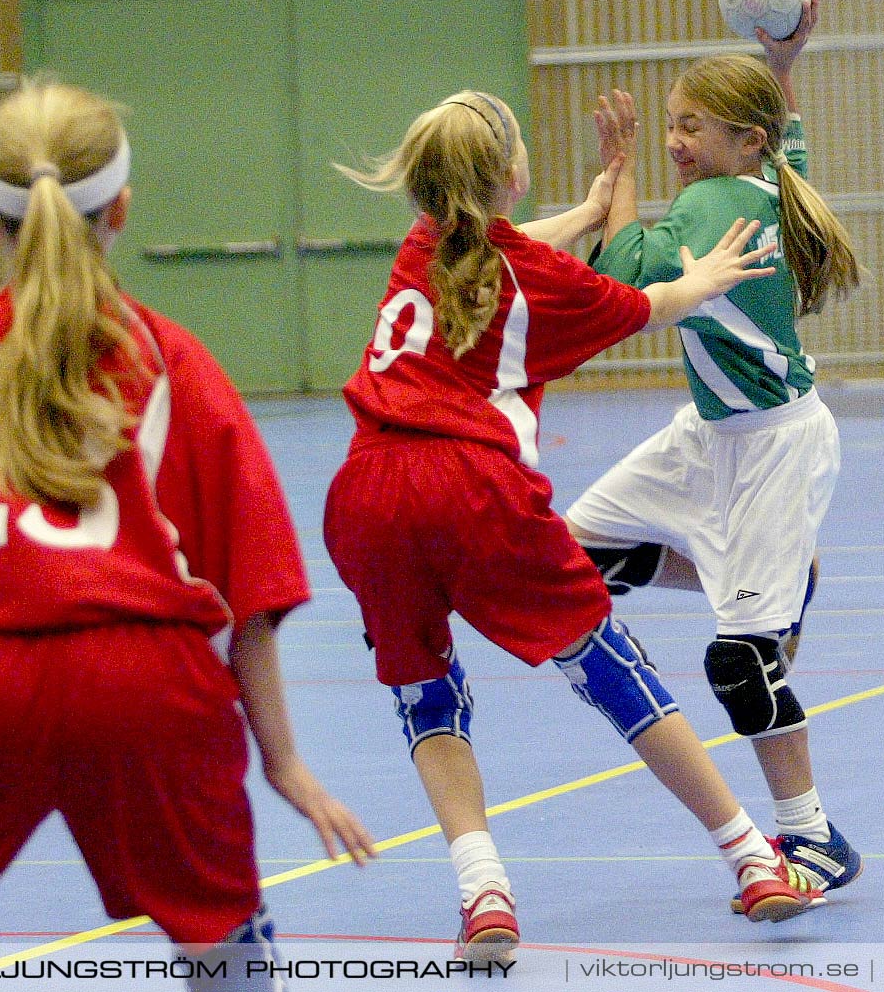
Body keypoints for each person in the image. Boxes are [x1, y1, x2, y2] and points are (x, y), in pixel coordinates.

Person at [0, 78, 376, 992]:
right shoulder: (173, 361)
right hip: (147, 685)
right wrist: (285, 761)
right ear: (124, 210)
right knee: (224, 939)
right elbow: (252, 597)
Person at [323, 89, 823, 964]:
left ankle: (484, 892)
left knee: (425, 694)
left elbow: (510, 244)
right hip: (469, 487)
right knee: (606, 666)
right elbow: (646, 304)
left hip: (365, 493)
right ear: (513, 173)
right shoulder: (539, 282)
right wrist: (698, 280)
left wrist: (592, 210)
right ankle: (754, 859)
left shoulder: (423, 250)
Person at [565, 0, 865, 908]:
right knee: (576, 551)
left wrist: (612, 174)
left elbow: (618, 271)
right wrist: (783, 59)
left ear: (741, 140)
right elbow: (783, 133)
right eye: (666, 127)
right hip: (714, 435)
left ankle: (812, 840)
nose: (674, 141)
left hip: (770, 449)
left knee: (742, 666)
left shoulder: (711, 201)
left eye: (690, 125)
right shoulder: (774, 179)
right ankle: (767, 581)